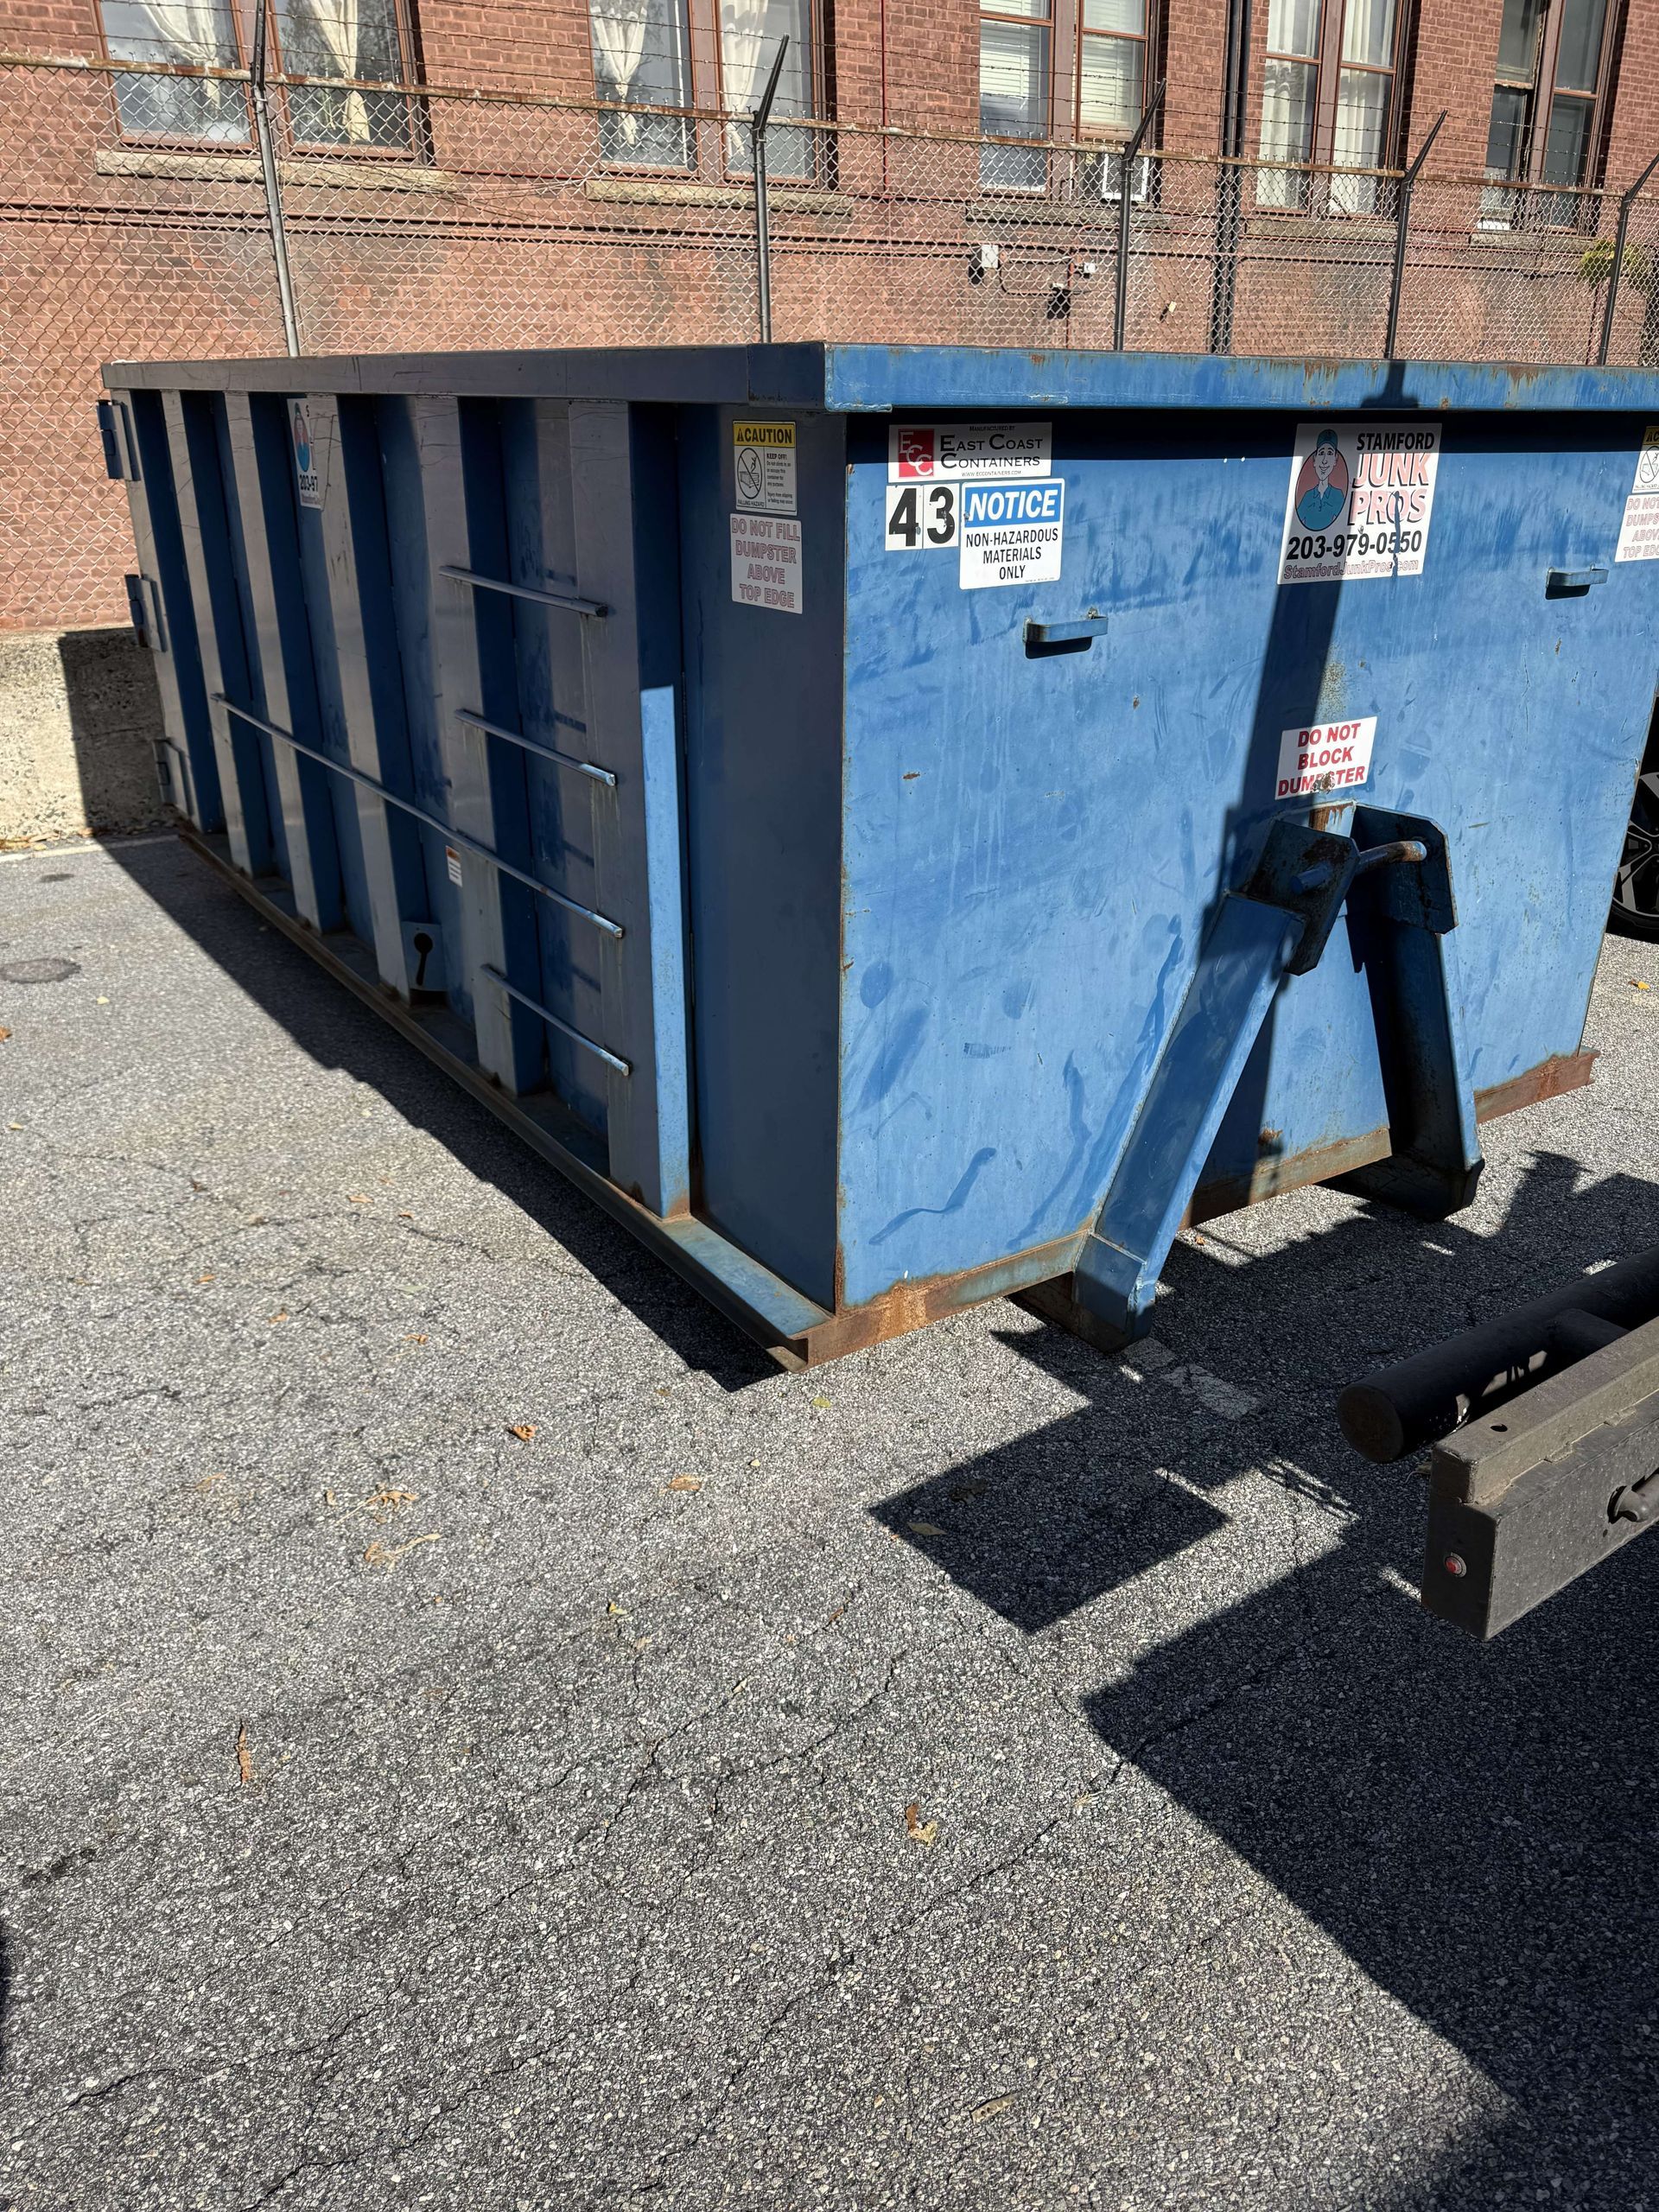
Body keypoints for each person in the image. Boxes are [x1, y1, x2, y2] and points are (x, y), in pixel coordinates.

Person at [1295, 427, 1348, 532]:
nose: (1324, 461)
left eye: (1329, 453)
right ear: (1314, 459)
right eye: (1321, 453)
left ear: (1335, 459)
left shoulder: (1338, 495)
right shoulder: (1308, 496)